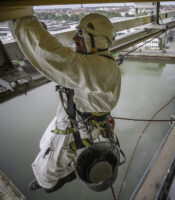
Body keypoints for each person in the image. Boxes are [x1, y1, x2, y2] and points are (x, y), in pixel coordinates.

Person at [14, 13, 121, 192]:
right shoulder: (99, 63)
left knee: (49, 161)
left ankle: (49, 183)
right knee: (45, 142)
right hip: (73, 117)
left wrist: (25, 22)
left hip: (78, 126)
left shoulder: (101, 68)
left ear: (97, 40)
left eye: (80, 34)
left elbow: (60, 61)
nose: (74, 38)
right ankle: (64, 172)